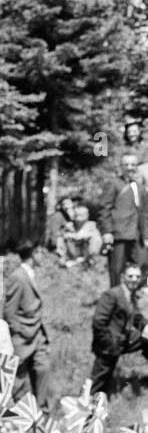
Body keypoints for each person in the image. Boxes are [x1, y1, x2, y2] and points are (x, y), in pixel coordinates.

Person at [89, 263, 147, 396]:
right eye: (130, 276)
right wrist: (109, 343)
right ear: (122, 277)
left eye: (137, 277)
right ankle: (86, 407)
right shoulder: (112, 294)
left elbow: (136, 316)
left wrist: (145, 326)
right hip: (109, 345)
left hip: (123, 339)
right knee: (99, 379)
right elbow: (98, 321)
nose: (134, 279)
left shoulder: (131, 295)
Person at [3, 242, 50, 407]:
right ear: (34, 253)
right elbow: (9, 312)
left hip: (38, 334)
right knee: (19, 379)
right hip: (23, 337)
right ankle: (20, 415)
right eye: (41, 252)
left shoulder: (33, 274)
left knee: (43, 368)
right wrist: (20, 331)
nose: (44, 256)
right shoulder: (18, 276)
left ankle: (42, 411)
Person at [98, 154, 146, 285]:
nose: (130, 168)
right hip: (119, 235)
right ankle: (117, 301)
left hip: (137, 236)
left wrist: (146, 236)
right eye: (127, 165)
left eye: (133, 165)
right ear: (121, 167)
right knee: (117, 270)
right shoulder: (113, 184)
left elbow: (145, 213)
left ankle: (137, 301)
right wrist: (107, 231)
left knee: (142, 267)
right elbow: (104, 209)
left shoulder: (140, 188)